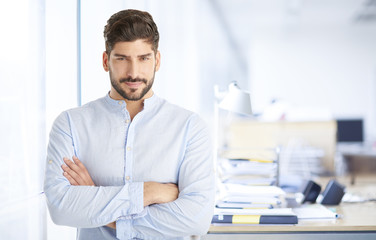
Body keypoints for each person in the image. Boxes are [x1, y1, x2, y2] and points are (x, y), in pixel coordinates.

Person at [44, 9, 215, 240]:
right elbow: (61, 208)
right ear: (106, 61)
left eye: (144, 58)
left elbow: (196, 219)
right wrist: (149, 192)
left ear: (158, 60)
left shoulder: (190, 128)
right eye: (122, 59)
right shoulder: (70, 124)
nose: (134, 73)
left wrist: (96, 200)